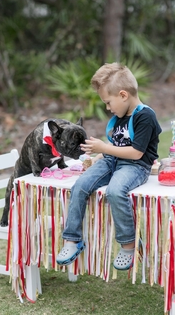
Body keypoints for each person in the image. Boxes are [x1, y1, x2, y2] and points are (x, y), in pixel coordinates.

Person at [56, 63, 161, 270]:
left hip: (136, 166)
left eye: (108, 102)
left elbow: (136, 152)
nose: (107, 108)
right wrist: (98, 156)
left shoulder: (145, 117)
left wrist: (105, 147)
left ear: (123, 95)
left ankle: (128, 243)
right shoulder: (119, 117)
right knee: (80, 185)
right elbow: (116, 146)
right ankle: (72, 239)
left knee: (115, 191)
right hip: (112, 160)